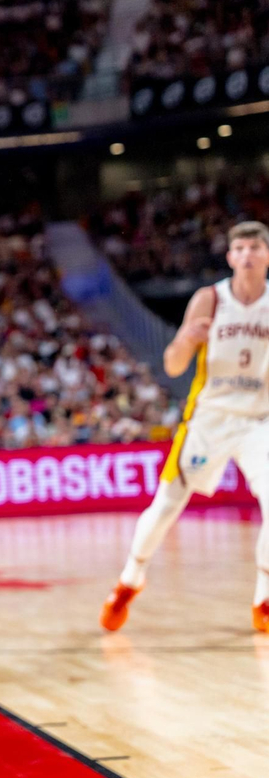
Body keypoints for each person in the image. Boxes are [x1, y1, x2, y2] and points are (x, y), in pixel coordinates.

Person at [101, 220, 269, 633]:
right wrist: (187, 341)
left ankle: (263, 597)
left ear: (266, 255)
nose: (247, 255)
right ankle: (129, 580)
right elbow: (173, 364)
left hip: (259, 420)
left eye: (255, 247)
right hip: (209, 416)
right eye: (240, 248)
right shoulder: (210, 299)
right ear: (230, 257)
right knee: (166, 505)